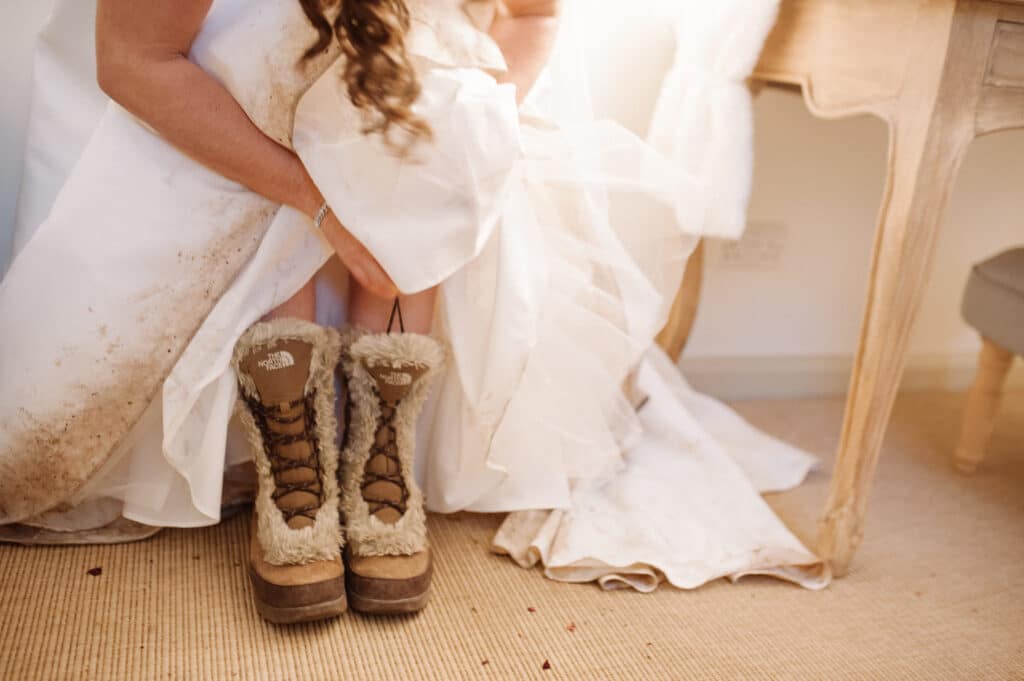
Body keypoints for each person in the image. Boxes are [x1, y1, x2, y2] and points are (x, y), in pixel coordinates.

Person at [0, 0, 828, 625]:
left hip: (396, 117)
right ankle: (294, 453)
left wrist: (467, 148)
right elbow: (133, 59)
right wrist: (320, 205)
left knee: (451, 110)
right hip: (236, 115)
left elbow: (535, 16)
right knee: (259, 63)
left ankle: (379, 441)